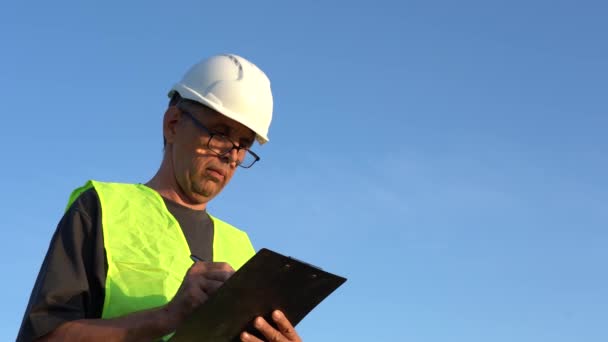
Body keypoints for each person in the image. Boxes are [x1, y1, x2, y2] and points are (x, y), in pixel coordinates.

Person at [17, 54, 302, 342]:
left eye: (243, 145)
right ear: (173, 124)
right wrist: (165, 317)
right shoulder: (102, 208)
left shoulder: (242, 249)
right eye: (220, 133)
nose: (231, 154)